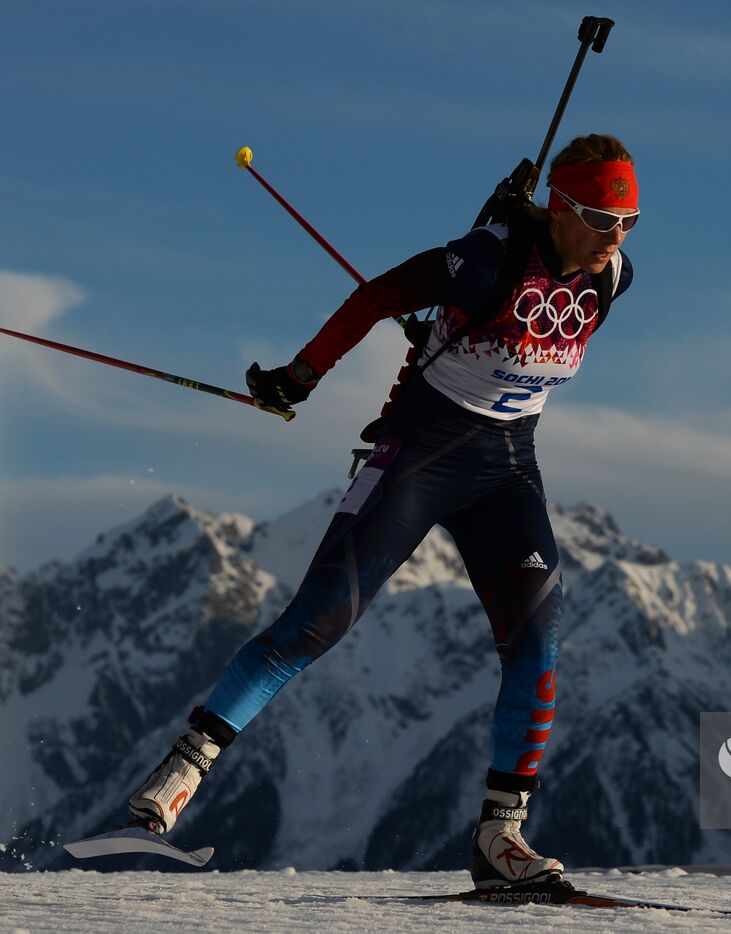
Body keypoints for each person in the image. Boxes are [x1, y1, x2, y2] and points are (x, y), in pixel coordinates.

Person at [124, 134, 638, 889]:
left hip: (507, 469)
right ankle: (188, 761)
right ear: (560, 207)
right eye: (599, 216)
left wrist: (460, 313)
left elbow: (514, 320)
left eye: (628, 219)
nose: (614, 235)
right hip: (420, 455)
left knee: (536, 647)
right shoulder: (488, 260)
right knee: (318, 621)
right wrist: (298, 379)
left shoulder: (612, 278)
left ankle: (501, 840)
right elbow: (376, 296)